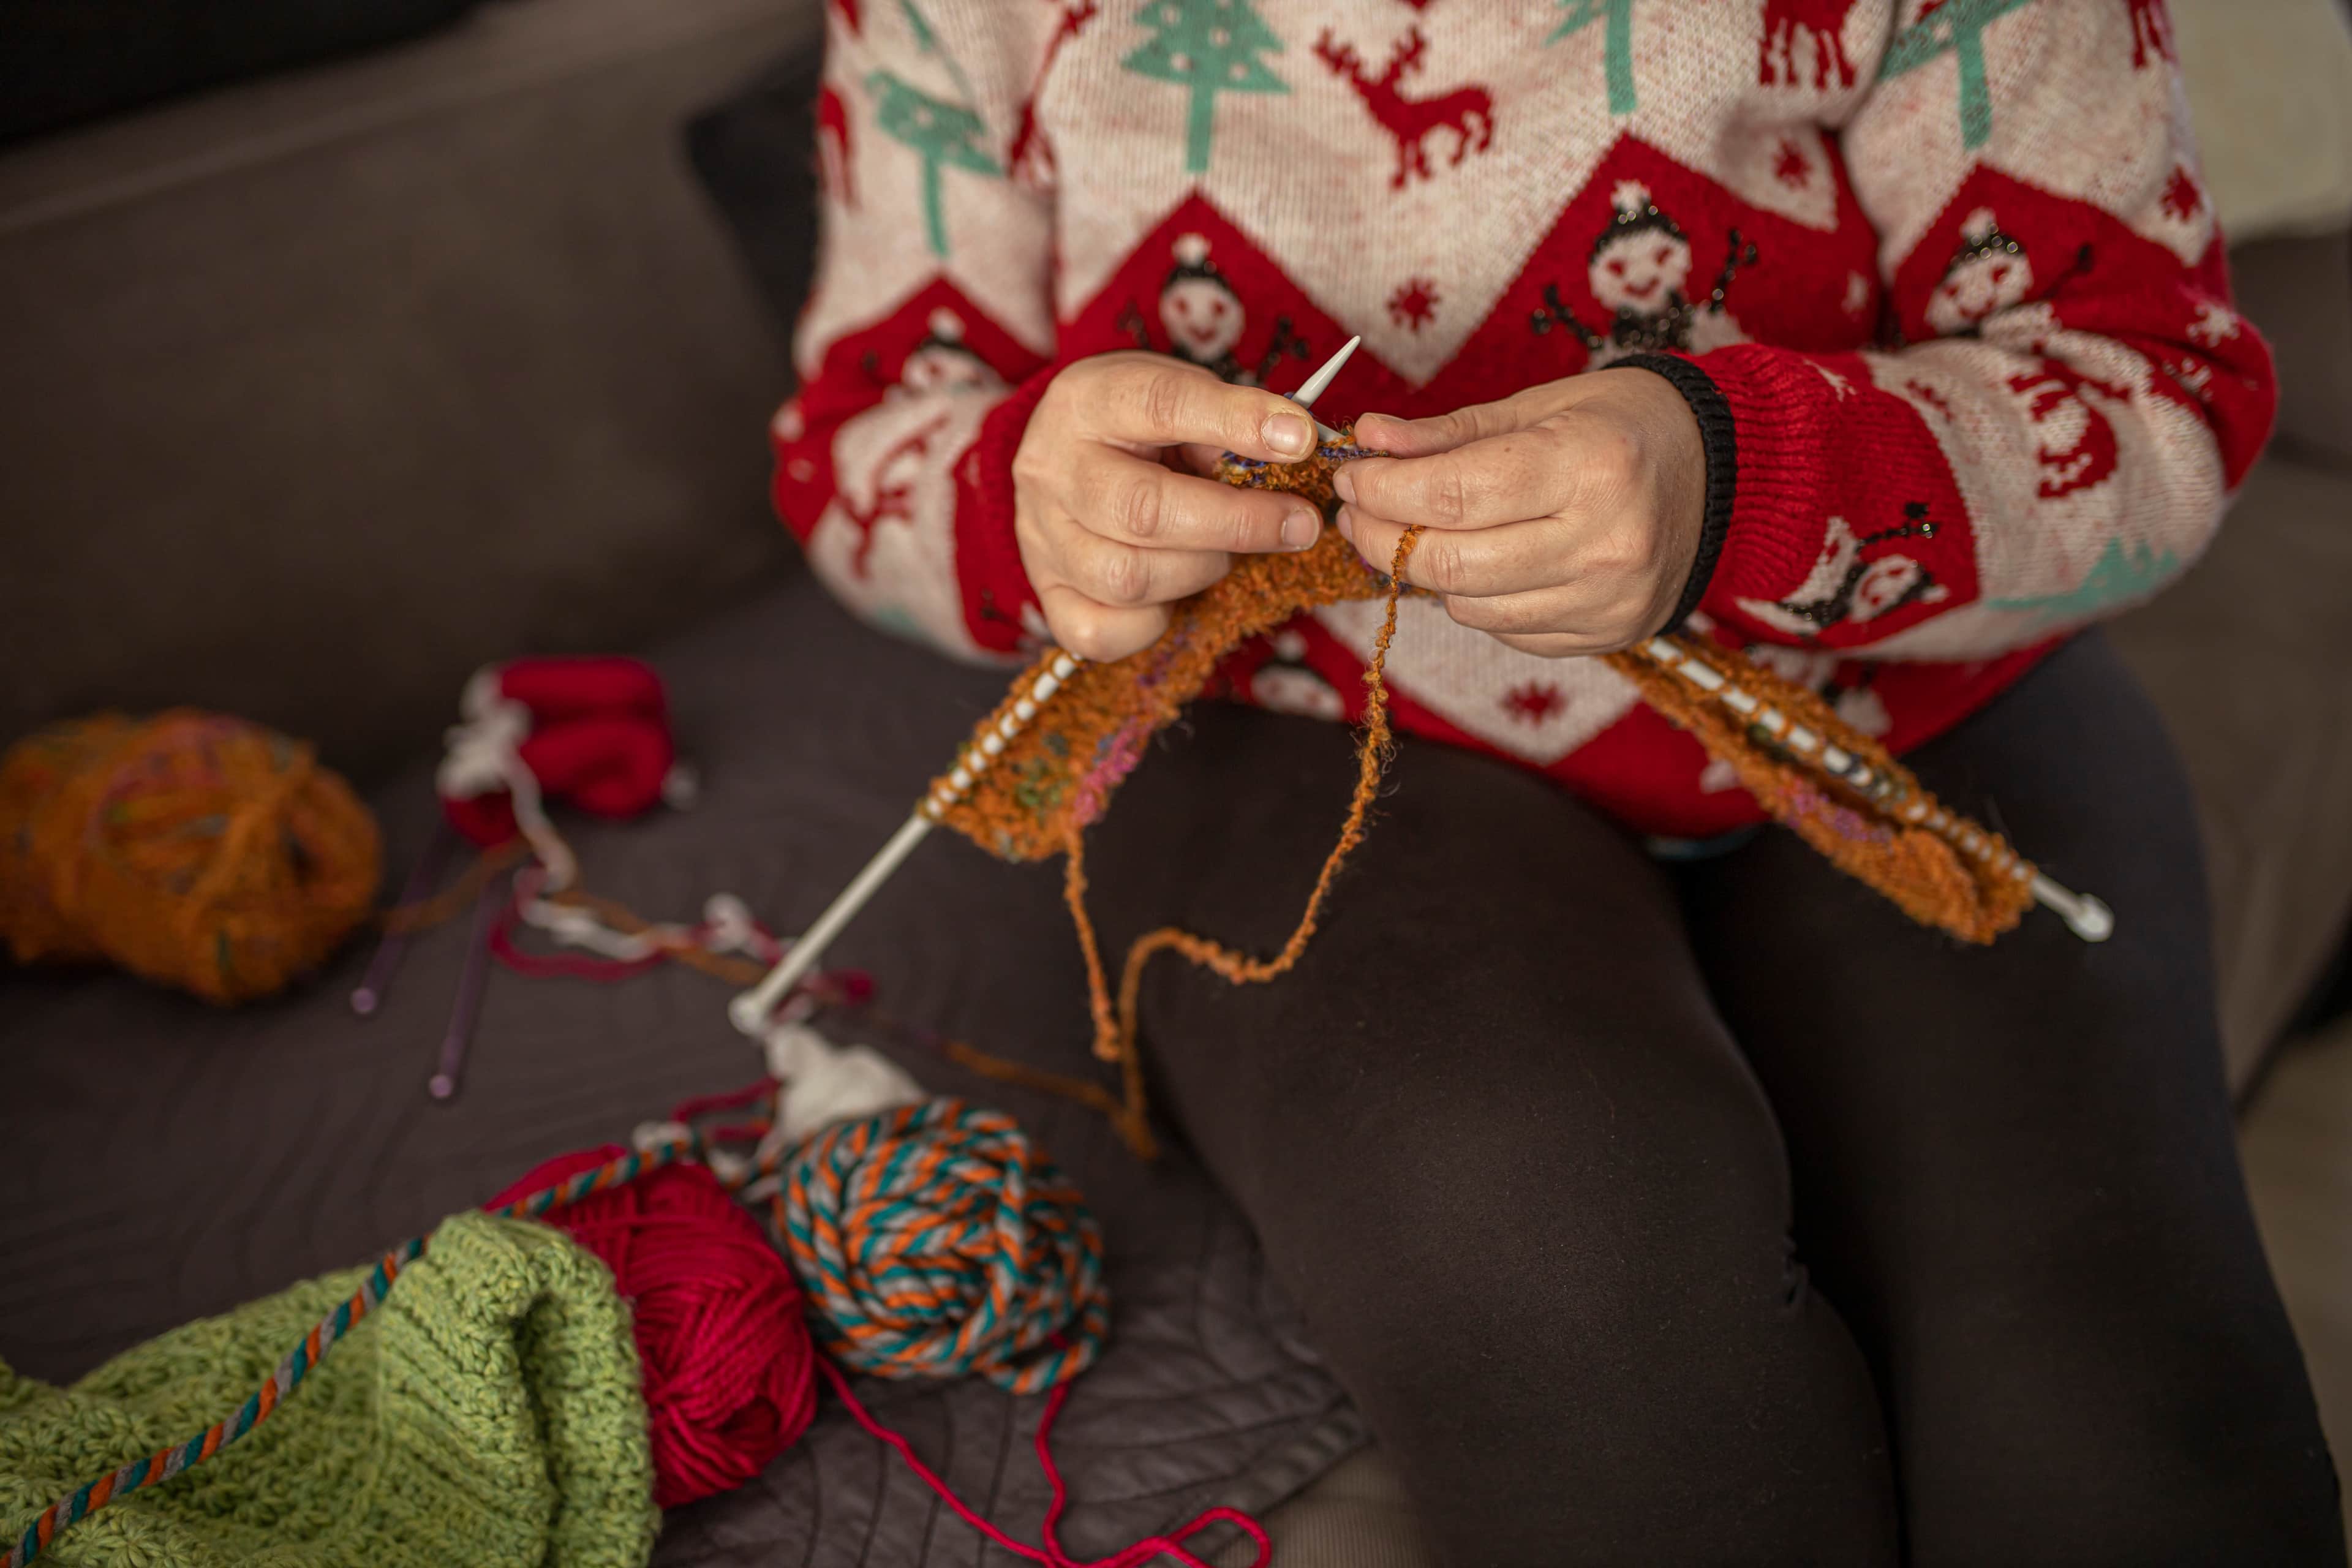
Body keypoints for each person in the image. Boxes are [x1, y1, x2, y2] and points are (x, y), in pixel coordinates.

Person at [771, 2, 2345, 1561]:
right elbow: (855, 444)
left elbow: (2160, 394)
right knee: (1555, 1252)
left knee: (2123, 1445)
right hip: (1294, 719)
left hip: (1909, 686)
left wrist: (1738, 480)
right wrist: (1028, 508)